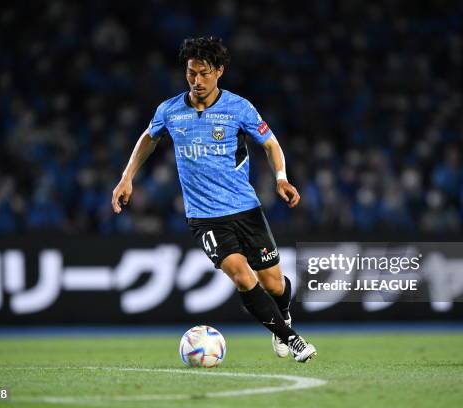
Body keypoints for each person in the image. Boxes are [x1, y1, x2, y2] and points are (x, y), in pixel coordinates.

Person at [112, 36, 317, 362]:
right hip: (205, 217)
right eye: (191, 73)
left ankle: (283, 316)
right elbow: (148, 138)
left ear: (219, 71)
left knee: (274, 284)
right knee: (240, 274)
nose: (196, 81)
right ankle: (291, 339)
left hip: (246, 209)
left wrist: (281, 178)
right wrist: (126, 177)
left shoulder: (239, 107)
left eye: (204, 73)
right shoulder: (170, 110)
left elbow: (271, 144)